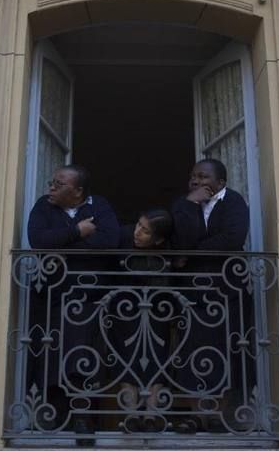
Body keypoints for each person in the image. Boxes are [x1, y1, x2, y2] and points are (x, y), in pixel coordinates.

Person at [26, 164, 119, 444]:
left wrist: (64, 246)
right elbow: (38, 241)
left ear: (78, 191)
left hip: (88, 298)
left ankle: (82, 419)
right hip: (51, 296)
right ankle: (53, 416)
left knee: (83, 358)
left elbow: (109, 241)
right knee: (50, 357)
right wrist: (78, 231)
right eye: (51, 181)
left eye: (58, 184)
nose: (50, 188)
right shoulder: (44, 206)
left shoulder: (99, 206)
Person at [170, 158, 250, 433]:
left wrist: (191, 253)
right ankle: (197, 414)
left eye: (203, 176)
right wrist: (190, 204)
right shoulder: (184, 205)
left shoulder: (234, 202)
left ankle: (218, 414)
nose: (196, 181)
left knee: (225, 350)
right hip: (193, 291)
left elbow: (232, 238)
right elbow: (180, 238)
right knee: (194, 350)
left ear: (220, 183)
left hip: (227, 289)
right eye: (193, 176)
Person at [111, 209, 173, 431]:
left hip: (156, 311)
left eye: (145, 231)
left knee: (156, 359)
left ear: (159, 240)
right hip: (124, 310)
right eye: (138, 225)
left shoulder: (166, 253)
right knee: (126, 359)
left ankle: (151, 415)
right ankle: (130, 415)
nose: (137, 232)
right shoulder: (122, 237)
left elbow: (162, 287)